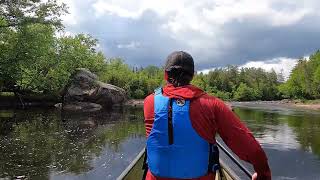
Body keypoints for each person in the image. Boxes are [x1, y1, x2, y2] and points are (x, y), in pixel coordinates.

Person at [143, 51, 271, 180]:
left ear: (166, 75)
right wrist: (263, 173)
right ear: (192, 75)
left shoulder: (149, 102)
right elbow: (250, 147)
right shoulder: (213, 104)